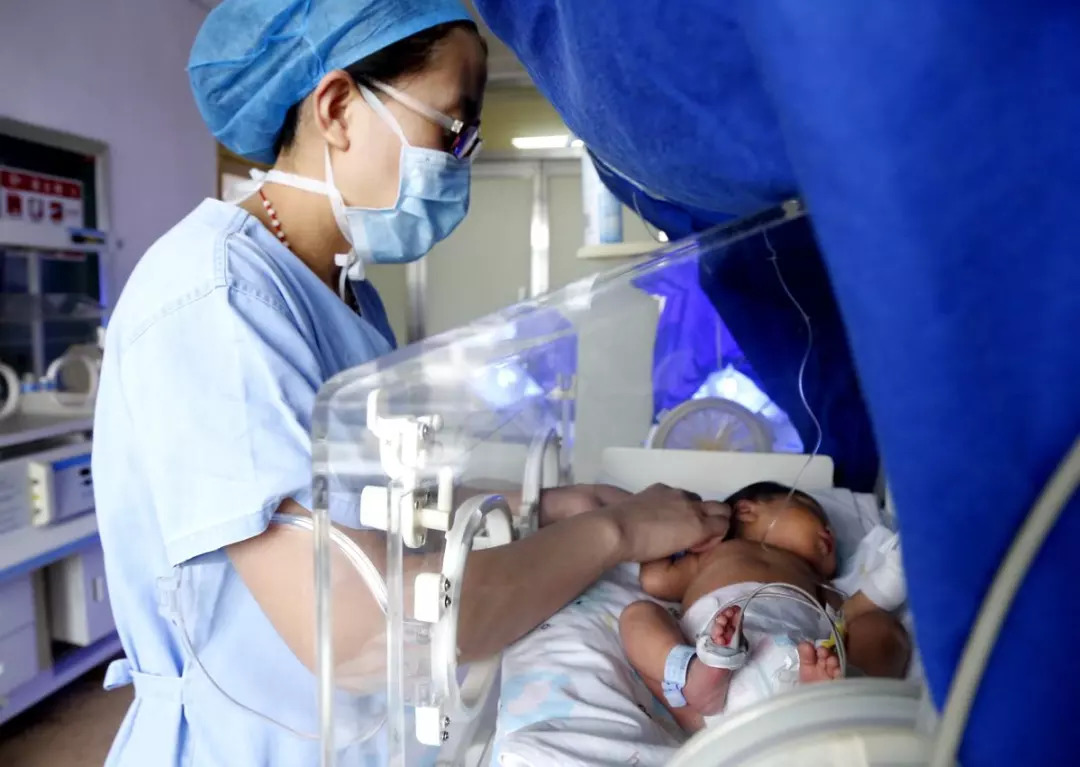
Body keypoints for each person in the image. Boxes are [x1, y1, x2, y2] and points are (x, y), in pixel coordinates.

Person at [90, 2, 730, 765]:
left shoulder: (347, 296)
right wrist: (612, 534)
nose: (461, 163)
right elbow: (358, 628)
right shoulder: (219, 301)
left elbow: (371, 502)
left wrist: (539, 503)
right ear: (337, 109)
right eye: (452, 128)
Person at [620, 482, 910, 733]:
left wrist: (885, 586)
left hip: (798, 666)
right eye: (811, 510)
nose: (828, 530)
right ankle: (690, 675)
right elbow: (655, 579)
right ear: (747, 511)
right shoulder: (714, 553)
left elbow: (845, 617)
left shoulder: (816, 582)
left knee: (880, 630)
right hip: (712, 682)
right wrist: (677, 525)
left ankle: (837, 692)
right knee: (639, 615)